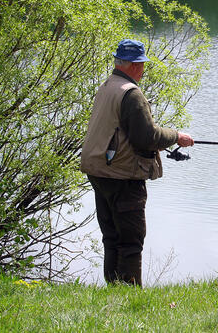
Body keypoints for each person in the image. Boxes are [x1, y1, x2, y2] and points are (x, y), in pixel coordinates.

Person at [80, 39, 194, 286]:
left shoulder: (108, 86)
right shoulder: (131, 93)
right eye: (141, 64)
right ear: (132, 65)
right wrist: (177, 137)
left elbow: (121, 131)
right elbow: (146, 136)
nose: (143, 70)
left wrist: (161, 144)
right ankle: (130, 297)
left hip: (100, 172)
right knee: (131, 241)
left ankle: (114, 292)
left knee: (111, 237)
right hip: (122, 176)